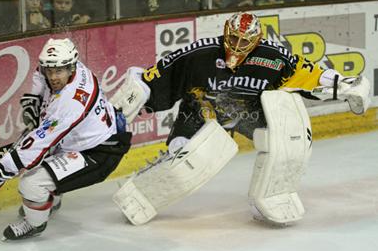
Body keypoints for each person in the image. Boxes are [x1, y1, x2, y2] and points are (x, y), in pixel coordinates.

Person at [109, 12, 371, 226]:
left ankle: (270, 195)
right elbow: (159, 73)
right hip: (201, 109)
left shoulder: (274, 57)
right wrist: (135, 94)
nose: (236, 46)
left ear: (256, 41)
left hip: (249, 112)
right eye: (232, 38)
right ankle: (147, 182)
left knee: (286, 141)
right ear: (225, 32)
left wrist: (345, 84)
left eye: (244, 41)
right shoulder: (200, 52)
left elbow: (309, 72)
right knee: (185, 156)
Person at [0, 38, 132, 240]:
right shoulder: (74, 67)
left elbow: (38, 143)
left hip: (100, 153)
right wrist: (35, 96)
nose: (53, 76)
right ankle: (49, 201)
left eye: (58, 71)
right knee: (44, 159)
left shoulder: (70, 103)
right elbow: (40, 72)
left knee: (31, 183)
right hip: (85, 138)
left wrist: (0, 171)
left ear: (70, 67)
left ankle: (34, 224)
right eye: (50, 70)